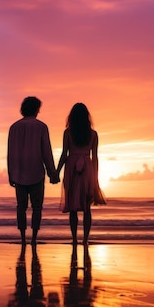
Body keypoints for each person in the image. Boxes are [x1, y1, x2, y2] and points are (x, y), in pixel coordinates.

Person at [8, 96, 59, 245]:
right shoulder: (41, 127)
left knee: (21, 207)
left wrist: (11, 174)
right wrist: (52, 172)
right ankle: (34, 238)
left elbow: (10, 153)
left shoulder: (14, 127)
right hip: (36, 172)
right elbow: (46, 152)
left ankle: (23, 238)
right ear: (36, 109)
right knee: (37, 207)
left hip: (18, 173)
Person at [56, 103, 106, 245]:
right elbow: (95, 157)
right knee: (86, 208)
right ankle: (85, 240)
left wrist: (56, 172)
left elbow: (64, 154)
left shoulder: (68, 133)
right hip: (87, 170)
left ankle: (74, 239)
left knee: (72, 208)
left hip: (71, 168)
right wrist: (95, 177)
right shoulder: (93, 134)